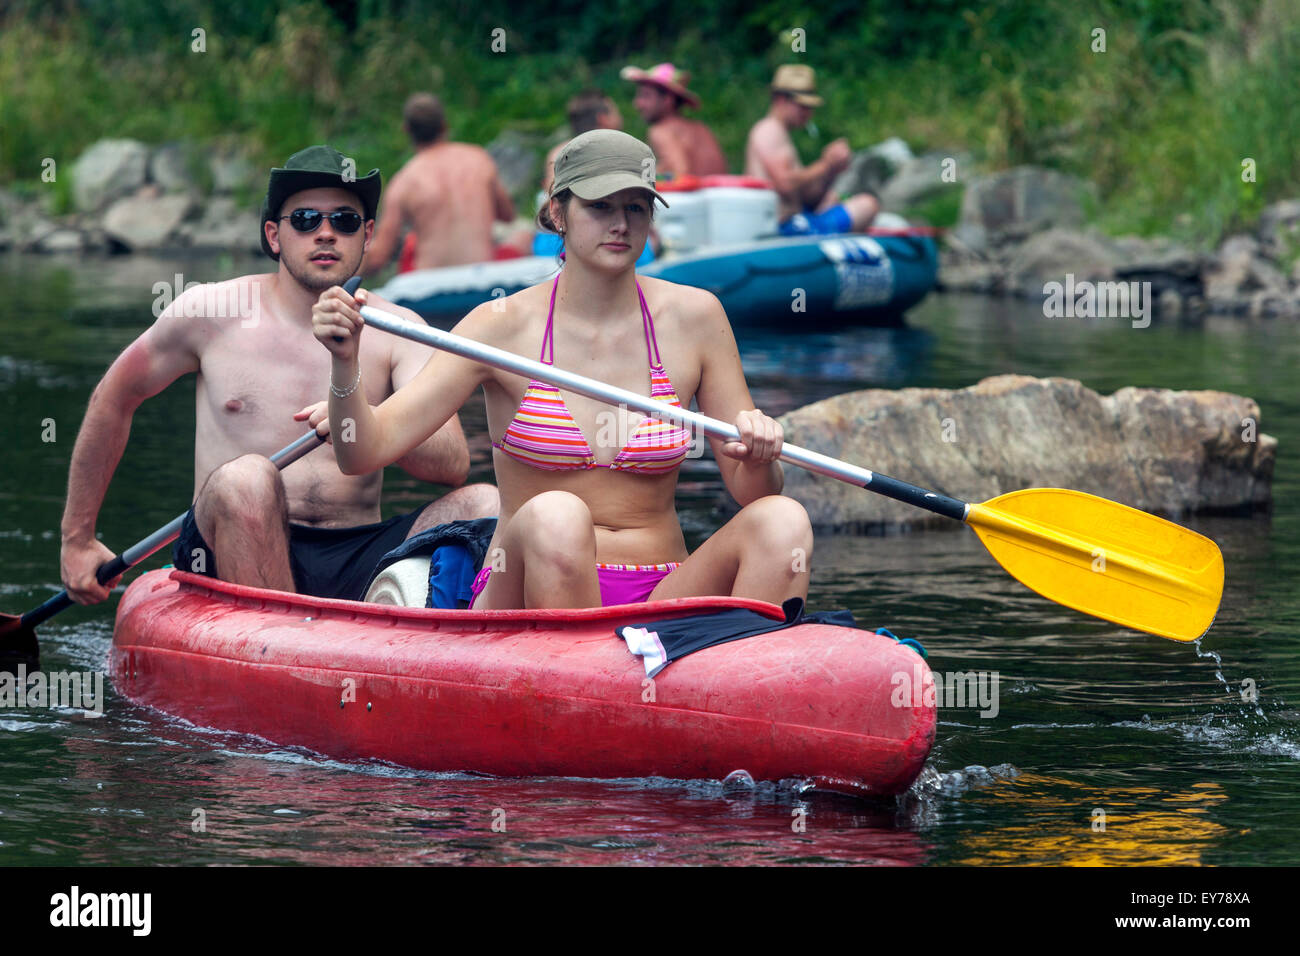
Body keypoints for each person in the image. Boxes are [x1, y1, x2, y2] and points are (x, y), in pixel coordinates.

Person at [309, 130, 813, 611]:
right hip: (527, 588)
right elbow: (363, 452)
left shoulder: (697, 317)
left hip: (664, 588)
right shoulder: (498, 327)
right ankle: (583, 683)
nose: (620, 224)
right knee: (558, 513)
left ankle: (729, 688)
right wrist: (345, 359)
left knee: (781, 521)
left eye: (636, 208)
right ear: (558, 212)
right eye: (600, 206)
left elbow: (755, 494)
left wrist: (761, 454)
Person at [59, 145, 498, 606]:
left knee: (483, 504)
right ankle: (277, 644)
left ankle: (439, 654)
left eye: (344, 221)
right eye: (306, 219)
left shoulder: (400, 328)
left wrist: (367, 422)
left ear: (367, 234)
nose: (325, 234)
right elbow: (114, 399)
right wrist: (77, 540)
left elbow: (452, 465)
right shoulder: (209, 311)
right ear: (273, 235)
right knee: (247, 478)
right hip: (228, 544)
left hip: (356, 550)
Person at [362, 93, 516, 274]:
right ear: (444, 125)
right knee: (522, 237)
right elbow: (507, 215)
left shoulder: (404, 181)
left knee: (410, 246)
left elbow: (379, 257)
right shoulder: (479, 159)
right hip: (481, 279)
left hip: (431, 289)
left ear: (406, 129)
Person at [745, 64, 878, 236]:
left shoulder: (780, 134)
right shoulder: (769, 130)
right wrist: (825, 164)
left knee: (838, 197)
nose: (808, 113)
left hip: (795, 223)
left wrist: (831, 171)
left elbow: (805, 197)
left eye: (810, 107)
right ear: (781, 99)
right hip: (784, 229)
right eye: (802, 106)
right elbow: (785, 184)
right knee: (867, 205)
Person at [534, 90, 654, 266]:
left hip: (548, 241)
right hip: (570, 240)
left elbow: (548, 201)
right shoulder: (619, 153)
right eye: (600, 205)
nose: (620, 115)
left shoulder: (559, 152)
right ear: (603, 119)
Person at [620, 63, 727, 180]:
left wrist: (641, 176)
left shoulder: (660, 131)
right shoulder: (701, 129)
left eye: (646, 96)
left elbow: (680, 172)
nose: (637, 104)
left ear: (667, 100)